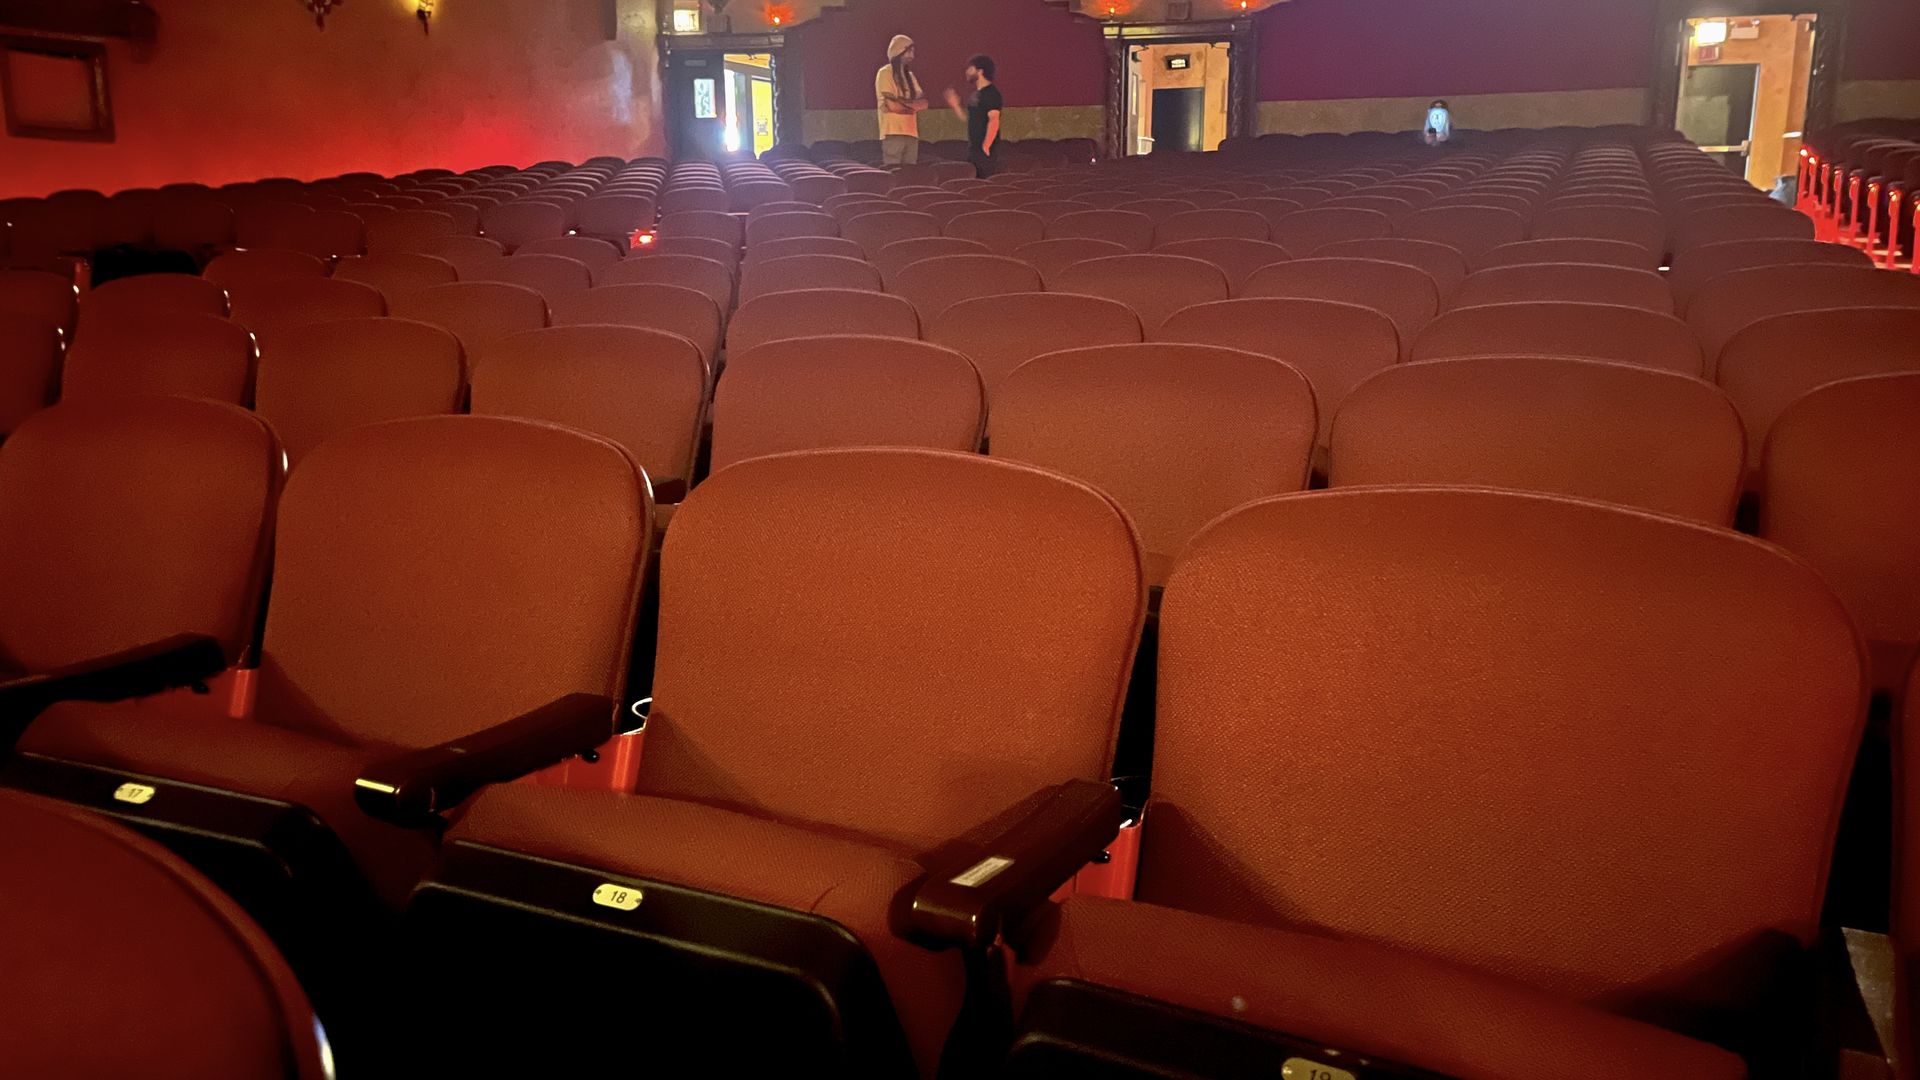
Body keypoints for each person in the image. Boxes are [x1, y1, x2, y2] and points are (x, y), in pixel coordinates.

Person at [944, 54, 1003, 179]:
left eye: (971, 68)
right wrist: (955, 105)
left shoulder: (992, 93)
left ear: (980, 71)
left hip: (985, 149)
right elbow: (968, 119)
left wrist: (986, 146)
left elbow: (994, 120)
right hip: (973, 147)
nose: (967, 72)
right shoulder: (974, 95)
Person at [877, 35, 927, 167]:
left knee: (909, 174)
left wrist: (901, 103)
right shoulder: (885, 73)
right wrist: (911, 107)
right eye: (909, 50)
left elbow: (923, 103)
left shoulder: (910, 75)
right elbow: (892, 106)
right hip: (892, 132)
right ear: (899, 51)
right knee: (894, 171)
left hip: (911, 132)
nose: (912, 55)